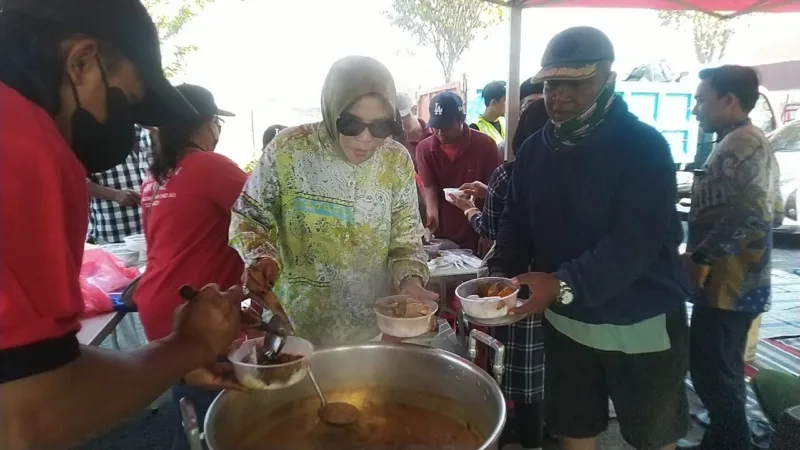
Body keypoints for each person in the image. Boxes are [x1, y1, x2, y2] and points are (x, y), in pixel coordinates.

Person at [0, 1, 243, 448]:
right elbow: (26, 416)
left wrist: (168, 360)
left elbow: (31, 367)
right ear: (82, 62)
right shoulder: (23, 145)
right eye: (129, 102)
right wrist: (186, 346)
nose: (129, 128)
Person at [489, 26, 690, 450]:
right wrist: (498, 272)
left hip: (641, 323)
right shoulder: (535, 151)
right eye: (550, 84)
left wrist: (561, 285)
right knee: (574, 428)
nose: (558, 96)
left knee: (652, 436)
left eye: (575, 83)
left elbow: (633, 244)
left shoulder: (643, 148)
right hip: (566, 325)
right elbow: (516, 221)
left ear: (608, 80)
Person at [229, 56, 436, 347]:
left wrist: (410, 281)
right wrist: (262, 258)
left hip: (370, 329)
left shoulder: (396, 161)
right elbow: (249, 217)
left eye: (380, 126)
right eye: (351, 124)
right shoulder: (289, 151)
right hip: (294, 327)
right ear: (331, 111)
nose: (365, 138)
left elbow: (404, 242)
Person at [134, 84, 246, 450]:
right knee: (222, 400)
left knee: (186, 393)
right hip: (195, 308)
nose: (217, 131)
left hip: (156, 304)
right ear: (208, 123)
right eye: (217, 123)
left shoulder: (156, 177)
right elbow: (268, 216)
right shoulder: (210, 165)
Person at [681, 65, 783, 450]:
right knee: (714, 368)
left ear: (729, 100)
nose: (696, 110)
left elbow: (756, 212)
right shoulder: (736, 140)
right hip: (724, 284)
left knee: (715, 371)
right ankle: (721, 438)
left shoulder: (746, 143)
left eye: (701, 100)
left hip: (732, 285)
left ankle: (732, 441)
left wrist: (703, 254)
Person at [417, 91, 501, 253]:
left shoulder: (486, 146)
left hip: (477, 230)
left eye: (446, 127)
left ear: (462, 119)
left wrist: (488, 233)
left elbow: (495, 193)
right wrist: (431, 225)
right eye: (436, 127)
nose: (440, 133)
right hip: (444, 233)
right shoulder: (425, 149)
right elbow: (430, 189)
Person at [86, 125, 153, 244]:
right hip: (113, 236)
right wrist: (115, 195)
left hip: (152, 237)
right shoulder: (92, 138)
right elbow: (79, 182)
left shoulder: (150, 133)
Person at [396, 92, 432, 168]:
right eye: (396, 120)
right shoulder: (396, 145)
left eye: (403, 117)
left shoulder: (437, 133)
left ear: (415, 110)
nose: (400, 123)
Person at [470, 80, 507, 144]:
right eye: (506, 100)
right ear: (494, 102)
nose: (509, 104)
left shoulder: (505, 122)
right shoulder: (475, 127)